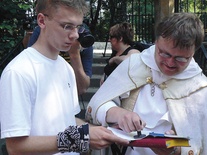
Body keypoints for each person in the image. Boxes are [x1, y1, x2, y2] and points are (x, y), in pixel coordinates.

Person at [0, 0, 129, 155]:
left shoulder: (66, 67)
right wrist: (81, 139)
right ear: (42, 21)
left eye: (78, 27)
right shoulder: (19, 72)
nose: (75, 35)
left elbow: (68, 120)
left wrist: (103, 131)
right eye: (67, 26)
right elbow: (15, 147)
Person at [86, 12, 207, 155]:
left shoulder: (200, 88)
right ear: (156, 42)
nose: (170, 63)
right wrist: (119, 114)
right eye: (164, 53)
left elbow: (201, 143)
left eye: (180, 58)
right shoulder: (133, 65)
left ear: (193, 53)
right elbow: (97, 105)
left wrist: (175, 149)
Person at [27, 24, 93, 95]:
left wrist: (74, 54)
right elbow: (29, 69)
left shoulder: (83, 38)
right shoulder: (43, 31)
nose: (73, 35)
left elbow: (82, 88)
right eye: (67, 27)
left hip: (68, 94)